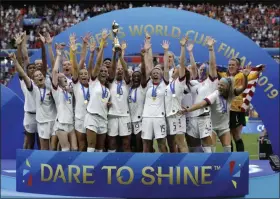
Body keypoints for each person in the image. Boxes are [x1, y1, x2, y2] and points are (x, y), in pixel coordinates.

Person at [182, 65, 251, 152]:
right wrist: (188, 109)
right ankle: (212, 165)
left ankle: (228, 165)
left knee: (227, 149)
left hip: (224, 127)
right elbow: (202, 104)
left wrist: (245, 76)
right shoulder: (215, 94)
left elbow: (243, 88)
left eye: (222, 85)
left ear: (228, 87)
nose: (219, 87)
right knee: (212, 150)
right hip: (212, 127)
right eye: (219, 85)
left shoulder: (230, 95)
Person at [10, 53, 57, 150]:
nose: (39, 76)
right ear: (33, 80)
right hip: (37, 119)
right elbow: (22, 73)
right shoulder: (33, 88)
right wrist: (15, 61)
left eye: (40, 74)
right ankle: (28, 163)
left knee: (52, 147)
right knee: (32, 143)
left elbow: (54, 70)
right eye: (37, 75)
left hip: (52, 120)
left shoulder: (50, 87)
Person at [218, 58, 262, 152]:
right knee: (227, 135)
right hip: (226, 110)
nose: (230, 66)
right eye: (229, 65)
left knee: (236, 134)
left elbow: (252, 76)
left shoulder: (242, 75)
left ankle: (240, 159)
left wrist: (258, 70)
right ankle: (230, 159)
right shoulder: (224, 75)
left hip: (236, 109)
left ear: (238, 66)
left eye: (233, 65)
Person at [182, 37, 218, 153]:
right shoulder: (195, 83)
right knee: (193, 146)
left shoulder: (211, 82)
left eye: (204, 69)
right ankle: (195, 166)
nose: (201, 70)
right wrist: (190, 52)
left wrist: (211, 49)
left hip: (204, 117)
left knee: (207, 145)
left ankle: (212, 165)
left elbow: (212, 65)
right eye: (200, 69)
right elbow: (192, 68)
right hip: (192, 117)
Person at [83, 29, 111, 152]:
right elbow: (98, 64)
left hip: (103, 118)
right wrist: (102, 43)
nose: (103, 72)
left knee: (100, 148)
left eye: (106, 71)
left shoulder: (107, 89)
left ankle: (97, 171)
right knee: (91, 146)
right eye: (101, 71)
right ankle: (89, 170)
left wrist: (108, 104)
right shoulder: (93, 82)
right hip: (92, 117)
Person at [141, 40, 170, 153]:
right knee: (146, 144)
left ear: (162, 74)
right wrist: (147, 51)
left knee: (162, 144)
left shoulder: (165, 84)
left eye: (158, 71)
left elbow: (166, 67)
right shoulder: (147, 83)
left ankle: (165, 165)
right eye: (154, 71)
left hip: (159, 118)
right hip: (146, 117)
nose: (156, 72)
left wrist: (166, 51)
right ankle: (144, 166)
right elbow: (147, 65)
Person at [14, 32, 39, 150]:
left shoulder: (42, 81)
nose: (32, 69)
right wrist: (20, 46)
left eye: (34, 68)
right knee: (29, 143)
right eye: (30, 68)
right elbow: (21, 61)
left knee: (41, 143)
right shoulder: (25, 81)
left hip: (42, 115)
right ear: (27, 71)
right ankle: (23, 165)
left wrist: (23, 44)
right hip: (29, 115)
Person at [165, 37, 189, 153]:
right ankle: (176, 166)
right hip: (168, 114)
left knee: (181, 143)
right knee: (172, 143)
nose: (176, 70)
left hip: (177, 114)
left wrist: (183, 47)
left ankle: (187, 167)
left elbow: (182, 63)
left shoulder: (180, 81)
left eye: (178, 69)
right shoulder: (169, 82)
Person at [107, 41, 132, 152]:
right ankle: (112, 165)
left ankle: (126, 163)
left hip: (125, 115)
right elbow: (112, 68)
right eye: (118, 69)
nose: (120, 71)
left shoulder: (127, 83)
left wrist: (121, 55)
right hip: (112, 115)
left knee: (126, 142)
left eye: (121, 70)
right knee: (112, 142)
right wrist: (114, 54)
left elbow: (125, 69)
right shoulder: (111, 82)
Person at [51, 44, 77, 151]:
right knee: (65, 148)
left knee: (75, 148)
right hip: (61, 123)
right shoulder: (56, 90)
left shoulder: (70, 90)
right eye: (60, 77)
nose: (64, 78)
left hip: (71, 123)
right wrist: (58, 55)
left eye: (65, 78)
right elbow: (54, 72)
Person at [128, 46, 148, 152]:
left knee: (139, 142)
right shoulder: (129, 89)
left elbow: (144, 72)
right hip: (128, 119)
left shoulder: (142, 87)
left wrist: (142, 57)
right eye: (134, 76)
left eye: (138, 76)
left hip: (139, 120)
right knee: (130, 144)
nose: (136, 78)